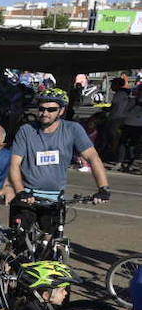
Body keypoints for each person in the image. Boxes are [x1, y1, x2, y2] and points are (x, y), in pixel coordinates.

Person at [8, 87, 111, 236]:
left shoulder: (72, 129)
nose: (45, 113)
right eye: (41, 109)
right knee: (18, 244)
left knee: (50, 246)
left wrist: (103, 188)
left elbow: (93, 158)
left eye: (51, 110)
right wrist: (20, 192)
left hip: (54, 199)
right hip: (26, 197)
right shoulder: (26, 130)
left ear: (61, 111)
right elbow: (14, 164)